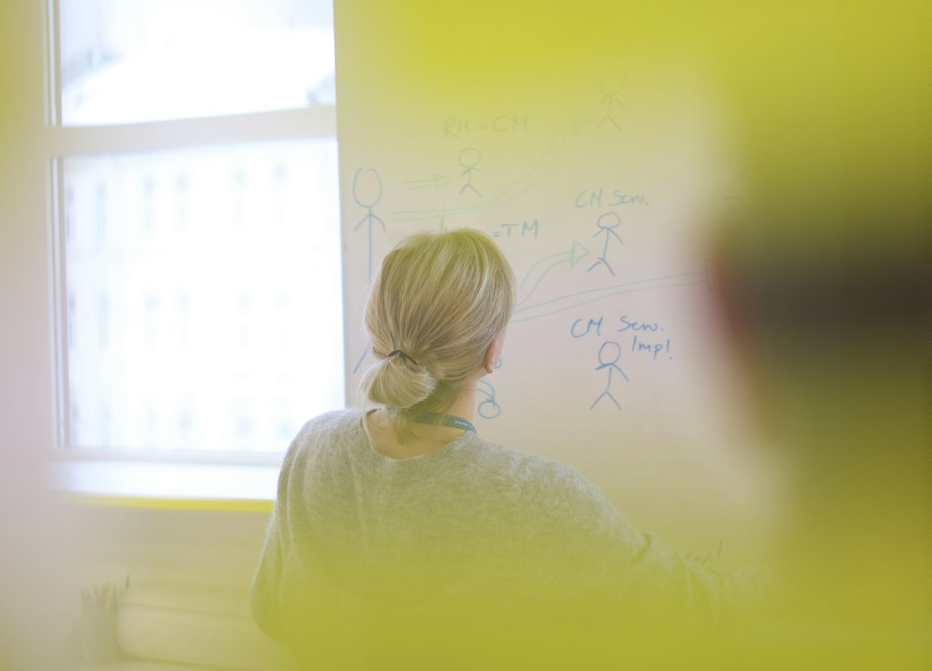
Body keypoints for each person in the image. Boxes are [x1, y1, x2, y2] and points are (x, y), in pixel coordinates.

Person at [250, 228, 723, 640]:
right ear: (492, 353)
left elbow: (270, 612)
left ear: (379, 334)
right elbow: (686, 605)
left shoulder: (313, 445)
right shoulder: (538, 497)